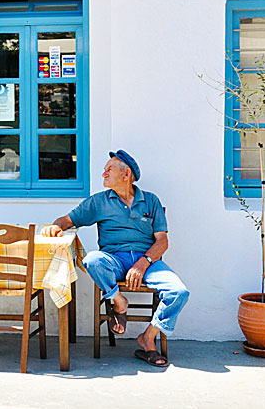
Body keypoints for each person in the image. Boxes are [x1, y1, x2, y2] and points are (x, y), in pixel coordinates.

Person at [41, 150, 189, 367]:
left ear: (126, 174)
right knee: (92, 260)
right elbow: (68, 219)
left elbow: (162, 242)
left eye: (109, 169)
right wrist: (56, 226)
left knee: (179, 292)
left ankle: (148, 337)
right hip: (114, 260)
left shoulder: (151, 201)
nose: (104, 174)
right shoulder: (99, 202)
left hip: (147, 262)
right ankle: (119, 303)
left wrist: (142, 263)